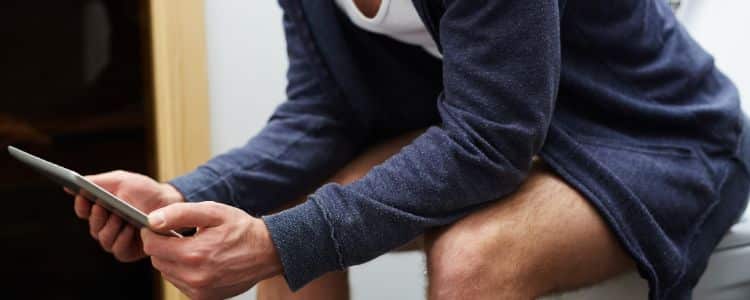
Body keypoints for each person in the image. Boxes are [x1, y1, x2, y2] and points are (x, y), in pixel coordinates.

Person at [71, 0, 750, 299]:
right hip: (515, 125)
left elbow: (490, 142)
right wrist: (186, 195)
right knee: (285, 211)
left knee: (473, 259)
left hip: (655, 135)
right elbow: (322, 111)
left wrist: (280, 242)